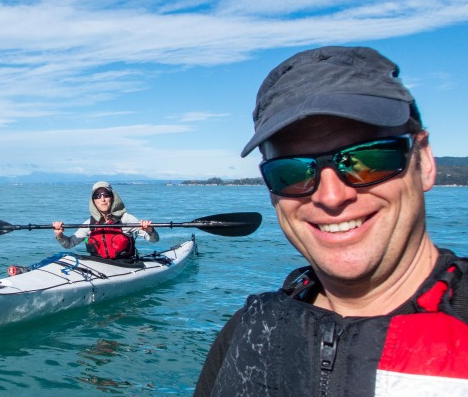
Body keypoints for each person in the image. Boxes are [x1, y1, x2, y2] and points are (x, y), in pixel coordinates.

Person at [194, 46, 468, 396]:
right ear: (271, 189)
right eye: (292, 171)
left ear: (424, 161)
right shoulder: (245, 332)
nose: (331, 196)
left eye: (368, 159)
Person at [52, 181, 159, 259]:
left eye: (106, 195)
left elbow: (154, 240)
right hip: (99, 266)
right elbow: (69, 244)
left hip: (125, 266)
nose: (102, 199)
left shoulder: (126, 219)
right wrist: (59, 235)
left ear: (113, 198)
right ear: (93, 201)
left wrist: (150, 230)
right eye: (97, 196)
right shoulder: (90, 224)